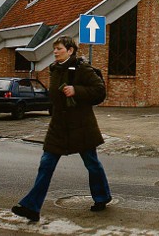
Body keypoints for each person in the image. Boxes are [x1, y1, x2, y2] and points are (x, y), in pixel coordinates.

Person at [11, 36, 111, 222]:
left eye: (59, 48)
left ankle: (102, 196)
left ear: (70, 50)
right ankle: (32, 207)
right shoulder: (55, 69)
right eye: (54, 49)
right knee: (46, 165)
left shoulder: (82, 69)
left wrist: (76, 90)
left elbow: (100, 91)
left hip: (80, 126)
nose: (55, 52)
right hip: (58, 127)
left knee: (92, 163)